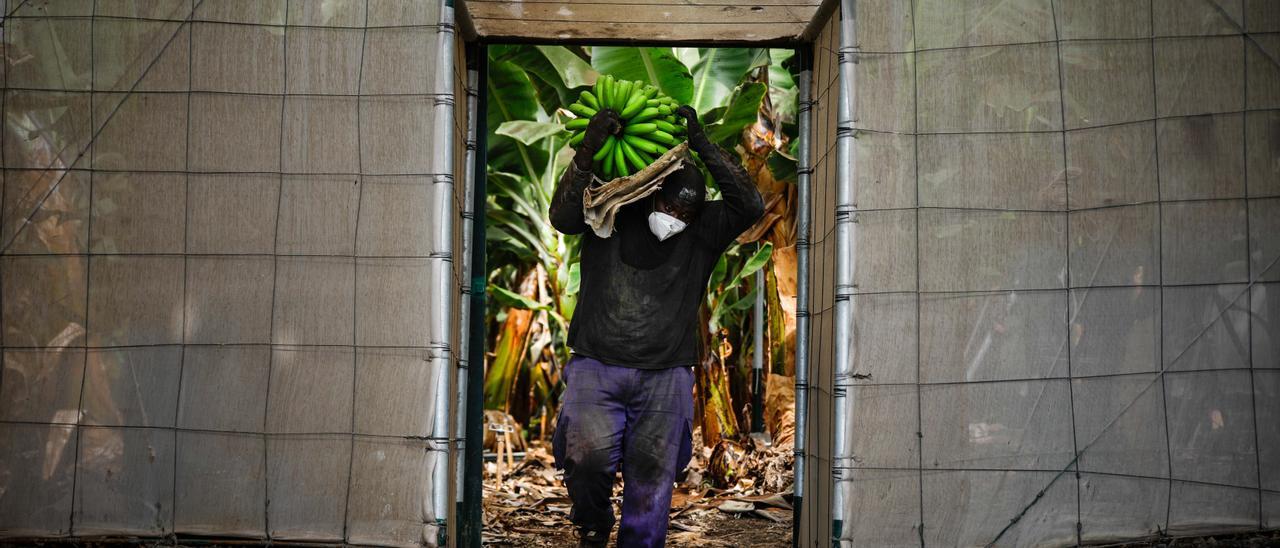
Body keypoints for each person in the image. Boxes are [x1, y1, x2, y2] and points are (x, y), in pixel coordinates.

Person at [547, 104, 765, 548]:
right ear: (653, 194)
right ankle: (591, 523)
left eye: (687, 212)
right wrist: (590, 147)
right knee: (584, 461)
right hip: (596, 364)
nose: (677, 217)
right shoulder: (614, 204)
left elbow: (751, 204)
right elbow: (562, 217)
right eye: (671, 206)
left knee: (652, 481)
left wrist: (701, 143)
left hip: (665, 375)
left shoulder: (706, 226)